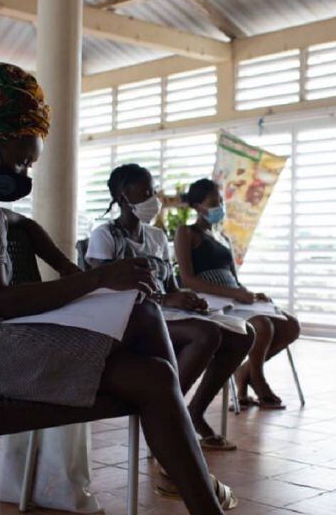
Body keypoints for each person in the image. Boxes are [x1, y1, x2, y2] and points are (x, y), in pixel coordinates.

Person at [0, 63, 232, 514]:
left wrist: (65, 266)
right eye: (21, 159)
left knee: (144, 313)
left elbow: (19, 223)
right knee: (154, 374)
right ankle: (187, 475)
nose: (24, 171)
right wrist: (95, 278)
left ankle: (180, 467)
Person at [86, 163, 254, 451]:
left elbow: (172, 286)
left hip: (165, 313)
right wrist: (164, 300)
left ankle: (193, 411)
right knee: (205, 335)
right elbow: (105, 290)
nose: (155, 199)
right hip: (131, 319)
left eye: (154, 191)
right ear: (124, 196)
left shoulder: (157, 237)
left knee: (244, 333)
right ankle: (167, 413)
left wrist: (187, 298)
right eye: (147, 192)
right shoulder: (105, 236)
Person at [176, 178, 300, 410]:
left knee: (290, 325)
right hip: (211, 301)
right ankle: (259, 382)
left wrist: (250, 293)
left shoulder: (223, 238)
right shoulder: (187, 233)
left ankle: (245, 373)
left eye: (220, 201)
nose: (219, 207)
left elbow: (234, 278)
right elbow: (187, 279)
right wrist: (233, 293)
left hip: (234, 296)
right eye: (213, 203)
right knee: (261, 326)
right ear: (196, 206)